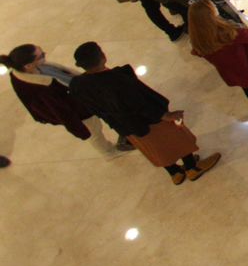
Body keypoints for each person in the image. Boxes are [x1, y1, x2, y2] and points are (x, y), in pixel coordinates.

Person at [68, 41, 219, 185]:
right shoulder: (118, 79)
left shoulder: (77, 85)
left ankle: (175, 173)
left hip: (126, 127)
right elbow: (140, 104)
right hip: (149, 121)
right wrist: (166, 116)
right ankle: (192, 167)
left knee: (155, 148)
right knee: (176, 138)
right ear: (102, 57)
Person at [2, 43, 101, 146]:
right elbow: (62, 112)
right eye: (41, 56)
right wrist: (81, 132)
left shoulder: (41, 67)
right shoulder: (40, 88)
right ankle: (108, 153)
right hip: (82, 111)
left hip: (84, 96)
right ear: (28, 65)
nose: (45, 55)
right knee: (96, 134)